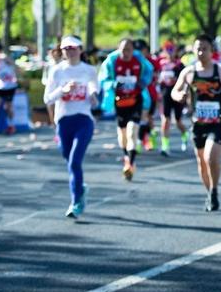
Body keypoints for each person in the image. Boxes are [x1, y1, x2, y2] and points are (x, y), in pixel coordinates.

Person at [171, 34, 221, 211]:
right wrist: (179, 96)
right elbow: (175, 91)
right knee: (202, 161)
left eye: (205, 49)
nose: (201, 52)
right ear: (193, 50)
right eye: (198, 48)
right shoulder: (188, 72)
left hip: (219, 121)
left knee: (211, 157)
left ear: (212, 51)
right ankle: (209, 192)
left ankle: (215, 191)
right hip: (199, 123)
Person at [43, 35, 99, 218]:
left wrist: (92, 95)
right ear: (62, 50)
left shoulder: (89, 70)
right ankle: (80, 187)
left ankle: (75, 202)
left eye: (74, 48)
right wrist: (63, 90)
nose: (70, 51)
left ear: (81, 50)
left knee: (75, 161)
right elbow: (47, 98)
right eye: (66, 48)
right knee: (70, 162)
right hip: (64, 121)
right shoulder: (57, 71)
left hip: (83, 120)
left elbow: (93, 88)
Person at [99, 39, 154, 181]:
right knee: (122, 136)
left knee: (132, 131)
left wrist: (143, 82)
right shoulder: (112, 61)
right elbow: (103, 80)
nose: (126, 53)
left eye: (129, 50)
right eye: (123, 50)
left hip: (136, 101)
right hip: (120, 102)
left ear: (133, 50)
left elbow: (149, 71)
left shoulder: (138, 60)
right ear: (119, 50)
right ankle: (126, 155)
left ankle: (131, 162)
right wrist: (114, 84)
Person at [156, 42, 189, 155]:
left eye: (171, 50)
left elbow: (186, 82)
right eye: (167, 50)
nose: (169, 52)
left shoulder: (180, 65)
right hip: (165, 96)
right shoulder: (161, 64)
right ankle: (165, 146)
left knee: (178, 121)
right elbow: (156, 78)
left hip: (177, 95)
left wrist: (185, 96)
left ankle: (185, 133)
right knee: (165, 120)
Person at [0, 46, 19, 134]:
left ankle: (11, 125)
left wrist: (16, 75)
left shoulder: (4, 58)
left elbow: (15, 66)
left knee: (8, 107)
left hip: (10, 86)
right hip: (1, 87)